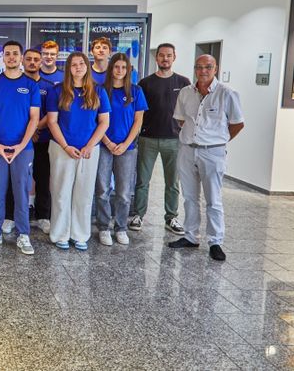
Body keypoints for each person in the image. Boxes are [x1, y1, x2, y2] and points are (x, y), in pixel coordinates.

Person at [168, 55, 244, 262]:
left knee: (213, 199)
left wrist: (217, 139)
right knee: (189, 197)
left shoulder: (227, 93)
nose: (203, 71)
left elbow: (237, 123)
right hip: (187, 150)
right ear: (195, 69)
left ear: (215, 68)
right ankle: (191, 236)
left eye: (208, 67)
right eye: (199, 67)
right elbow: (181, 120)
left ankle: (215, 242)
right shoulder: (185, 92)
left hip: (213, 152)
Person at [0, 41, 40, 255]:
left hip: (23, 149)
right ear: (3, 58)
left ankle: (23, 234)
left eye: (15, 53)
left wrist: (21, 145)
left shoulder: (30, 85)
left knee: (21, 193)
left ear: (21, 57)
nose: (11, 57)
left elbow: (34, 118)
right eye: (8, 54)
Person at [46, 52, 110, 251]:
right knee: (61, 193)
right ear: (68, 69)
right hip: (61, 148)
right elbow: (52, 121)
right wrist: (65, 146)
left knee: (84, 194)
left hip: (88, 150)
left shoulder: (98, 91)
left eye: (81, 63)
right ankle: (60, 234)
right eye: (74, 64)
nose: (78, 67)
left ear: (87, 66)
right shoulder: (57, 91)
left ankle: (80, 235)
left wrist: (90, 145)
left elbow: (104, 122)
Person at [131, 43, 191, 234]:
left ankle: (171, 217)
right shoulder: (145, 83)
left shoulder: (183, 82)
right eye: (162, 55)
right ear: (156, 57)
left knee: (172, 183)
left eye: (169, 55)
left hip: (174, 140)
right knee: (142, 181)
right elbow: (138, 113)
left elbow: (190, 110)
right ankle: (138, 215)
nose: (165, 59)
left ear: (174, 57)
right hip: (147, 138)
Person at [95, 53, 147, 247]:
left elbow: (138, 121)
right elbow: (96, 120)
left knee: (124, 192)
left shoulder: (136, 91)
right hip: (103, 146)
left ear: (128, 70)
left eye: (123, 67)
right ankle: (103, 227)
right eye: (116, 67)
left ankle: (121, 228)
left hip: (127, 148)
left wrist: (125, 144)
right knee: (102, 189)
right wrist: (108, 142)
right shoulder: (101, 90)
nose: (119, 70)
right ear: (111, 69)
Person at [23, 48, 54, 234]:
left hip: (43, 139)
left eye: (36, 59)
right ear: (23, 61)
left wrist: (35, 129)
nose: (32, 62)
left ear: (41, 62)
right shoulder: (16, 83)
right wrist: (27, 132)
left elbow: (51, 113)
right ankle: (13, 215)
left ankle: (43, 216)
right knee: (18, 179)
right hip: (20, 141)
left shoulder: (49, 86)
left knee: (43, 178)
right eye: (29, 59)